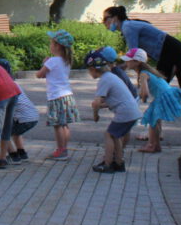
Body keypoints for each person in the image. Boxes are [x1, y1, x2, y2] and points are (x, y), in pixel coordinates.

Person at [103, 6, 181, 88]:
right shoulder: (128, 26)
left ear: (115, 18)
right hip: (170, 48)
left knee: (159, 84)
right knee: (161, 84)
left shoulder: (128, 27)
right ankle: (168, 103)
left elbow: (134, 54)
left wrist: (121, 67)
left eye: (105, 18)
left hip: (170, 49)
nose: (103, 22)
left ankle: (168, 104)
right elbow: (137, 55)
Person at [85, 49, 141, 173]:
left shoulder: (104, 80)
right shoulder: (111, 76)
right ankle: (119, 163)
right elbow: (113, 99)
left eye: (89, 70)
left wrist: (95, 115)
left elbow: (98, 101)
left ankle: (108, 164)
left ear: (93, 69)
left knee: (109, 134)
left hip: (125, 112)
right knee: (115, 136)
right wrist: (100, 105)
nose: (89, 73)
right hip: (132, 112)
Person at [121, 48, 181, 154]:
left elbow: (145, 92)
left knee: (152, 119)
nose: (126, 62)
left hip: (163, 96)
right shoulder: (146, 71)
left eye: (128, 60)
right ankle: (155, 144)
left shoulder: (143, 74)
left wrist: (142, 97)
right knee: (156, 120)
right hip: (167, 94)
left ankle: (153, 146)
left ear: (137, 62)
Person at [36, 29, 79, 161]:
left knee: (57, 125)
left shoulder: (52, 61)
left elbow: (39, 75)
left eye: (51, 43)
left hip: (56, 96)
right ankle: (64, 148)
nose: (50, 45)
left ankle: (60, 150)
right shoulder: (66, 60)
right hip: (67, 95)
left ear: (57, 46)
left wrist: (44, 63)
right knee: (65, 124)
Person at [9, 84, 39, 164]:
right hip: (33, 116)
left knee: (3, 133)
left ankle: (13, 156)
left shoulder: (6, 87)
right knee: (16, 132)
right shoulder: (15, 85)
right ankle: (22, 153)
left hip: (25, 119)